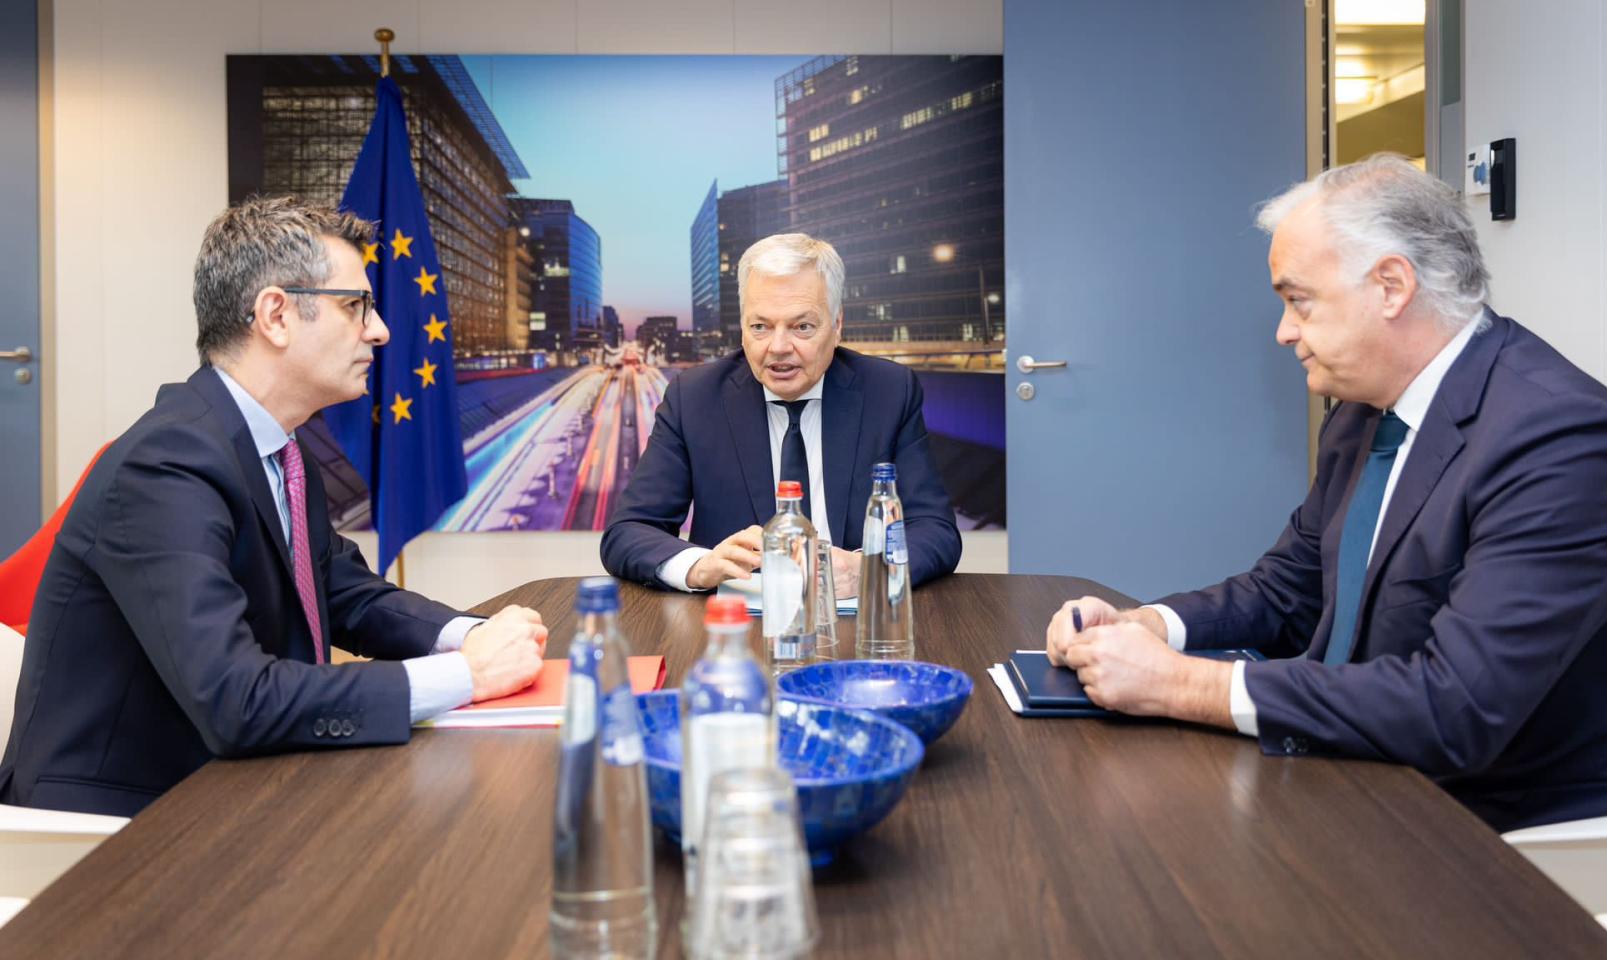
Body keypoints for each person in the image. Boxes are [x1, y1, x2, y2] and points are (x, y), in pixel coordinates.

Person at [1046, 155, 1607, 831]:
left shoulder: (1558, 440)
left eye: (1298, 300)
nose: (1284, 332)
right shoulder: (1363, 414)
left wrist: (1181, 684)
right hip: (1380, 765)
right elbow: (1289, 590)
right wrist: (1149, 626)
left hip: (1534, 813)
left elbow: (1457, 711)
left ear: (1391, 286)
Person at [0, 197, 547, 817]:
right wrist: (467, 676)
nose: (380, 330)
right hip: (118, 834)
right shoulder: (164, 465)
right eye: (355, 306)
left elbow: (348, 595)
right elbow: (235, 699)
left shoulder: (276, 448)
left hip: (234, 792)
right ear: (277, 316)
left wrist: (476, 637)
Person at [600, 233, 961, 595]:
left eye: (802, 326)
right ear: (742, 326)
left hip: (855, 622)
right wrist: (700, 565)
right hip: (735, 626)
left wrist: (867, 569)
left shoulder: (889, 391)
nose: (778, 348)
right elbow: (628, 531)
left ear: (836, 326)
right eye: (760, 327)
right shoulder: (694, 397)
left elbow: (935, 529)